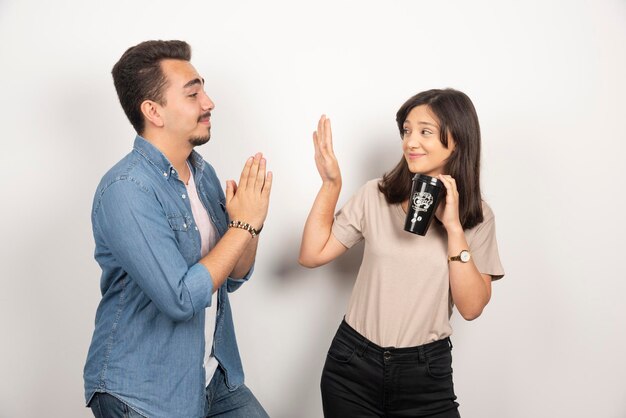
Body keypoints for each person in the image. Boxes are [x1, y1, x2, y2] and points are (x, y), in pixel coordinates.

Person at [83, 40, 272, 418]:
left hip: (211, 378)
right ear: (153, 111)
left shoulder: (202, 175)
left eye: (203, 88)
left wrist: (251, 226)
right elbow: (181, 299)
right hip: (142, 391)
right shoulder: (126, 190)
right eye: (193, 93)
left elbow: (232, 276)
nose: (209, 102)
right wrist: (242, 225)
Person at [299, 89, 504, 417]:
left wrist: (453, 228)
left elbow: (471, 307)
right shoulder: (376, 195)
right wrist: (330, 186)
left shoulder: (477, 216)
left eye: (425, 131)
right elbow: (312, 254)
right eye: (407, 131)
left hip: (425, 374)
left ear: (459, 140)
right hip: (352, 365)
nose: (411, 142)